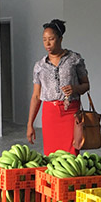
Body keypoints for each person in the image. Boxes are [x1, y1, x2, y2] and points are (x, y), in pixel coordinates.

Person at [27, 19, 90, 155]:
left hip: (71, 113)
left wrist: (75, 88)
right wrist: (30, 124)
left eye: (51, 39)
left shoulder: (74, 59)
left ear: (60, 39)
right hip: (50, 114)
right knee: (51, 155)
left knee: (72, 154)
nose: (47, 44)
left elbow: (86, 85)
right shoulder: (39, 66)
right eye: (44, 40)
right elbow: (36, 96)